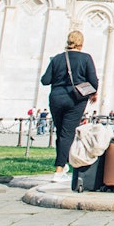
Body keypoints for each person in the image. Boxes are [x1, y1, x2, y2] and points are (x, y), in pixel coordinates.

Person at [39, 30, 98, 180]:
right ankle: (59, 170)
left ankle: (63, 165)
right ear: (81, 43)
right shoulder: (85, 58)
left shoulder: (58, 58)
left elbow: (45, 80)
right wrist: (92, 93)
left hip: (56, 98)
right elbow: (94, 82)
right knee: (67, 133)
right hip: (75, 99)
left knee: (61, 132)